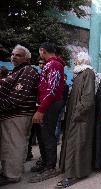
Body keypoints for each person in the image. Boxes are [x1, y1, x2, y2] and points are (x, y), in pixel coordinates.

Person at [0, 45, 39, 186]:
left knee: (14, 145)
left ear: (26, 58)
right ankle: (8, 172)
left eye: (18, 55)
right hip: (11, 114)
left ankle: (12, 175)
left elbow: (17, 97)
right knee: (8, 145)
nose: (13, 56)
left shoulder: (27, 71)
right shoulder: (17, 71)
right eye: (12, 54)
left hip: (18, 114)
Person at [57, 52, 96, 188]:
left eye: (77, 59)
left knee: (78, 143)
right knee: (71, 143)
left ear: (82, 60)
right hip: (74, 115)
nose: (75, 61)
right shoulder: (79, 73)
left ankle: (76, 173)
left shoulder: (88, 73)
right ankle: (68, 170)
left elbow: (88, 98)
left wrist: (77, 113)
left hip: (81, 117)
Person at [29, 42, 65, 183]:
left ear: (42, 51)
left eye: (40, 52)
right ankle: (45, 163)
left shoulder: (54, 65)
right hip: (46, 104)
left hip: (50, 105)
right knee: (42, 136)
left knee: (48, 135)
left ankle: (50, 167)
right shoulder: (51, 64)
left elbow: (52, 89)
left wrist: (41, 109)